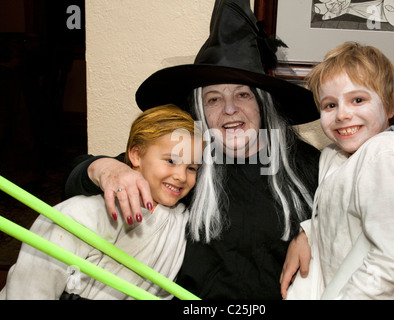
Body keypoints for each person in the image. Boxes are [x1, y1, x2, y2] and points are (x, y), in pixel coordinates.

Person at [64, 0, 321, 299]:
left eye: (242, 95)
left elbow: (362, 219)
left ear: (262, 103)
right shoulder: (182, 161)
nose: (229, 109)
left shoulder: (307, 165)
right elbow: (73, 184)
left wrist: (314, 232)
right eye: (213, 99)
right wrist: (106, 169)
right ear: (199, 109)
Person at [0, 104, 202, 300]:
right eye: (171, 161)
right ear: (136, 155)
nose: (181, 176)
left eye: (192, 168)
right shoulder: (87, 212)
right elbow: (34, 279)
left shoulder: (183, 222)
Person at [282, 42, 394, 299]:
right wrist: (309, 232)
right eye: (330, 105)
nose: (342, 114)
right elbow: (344, 217)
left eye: (358, 100)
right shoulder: (333, 156)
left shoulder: (384, 156)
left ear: (389, 106)